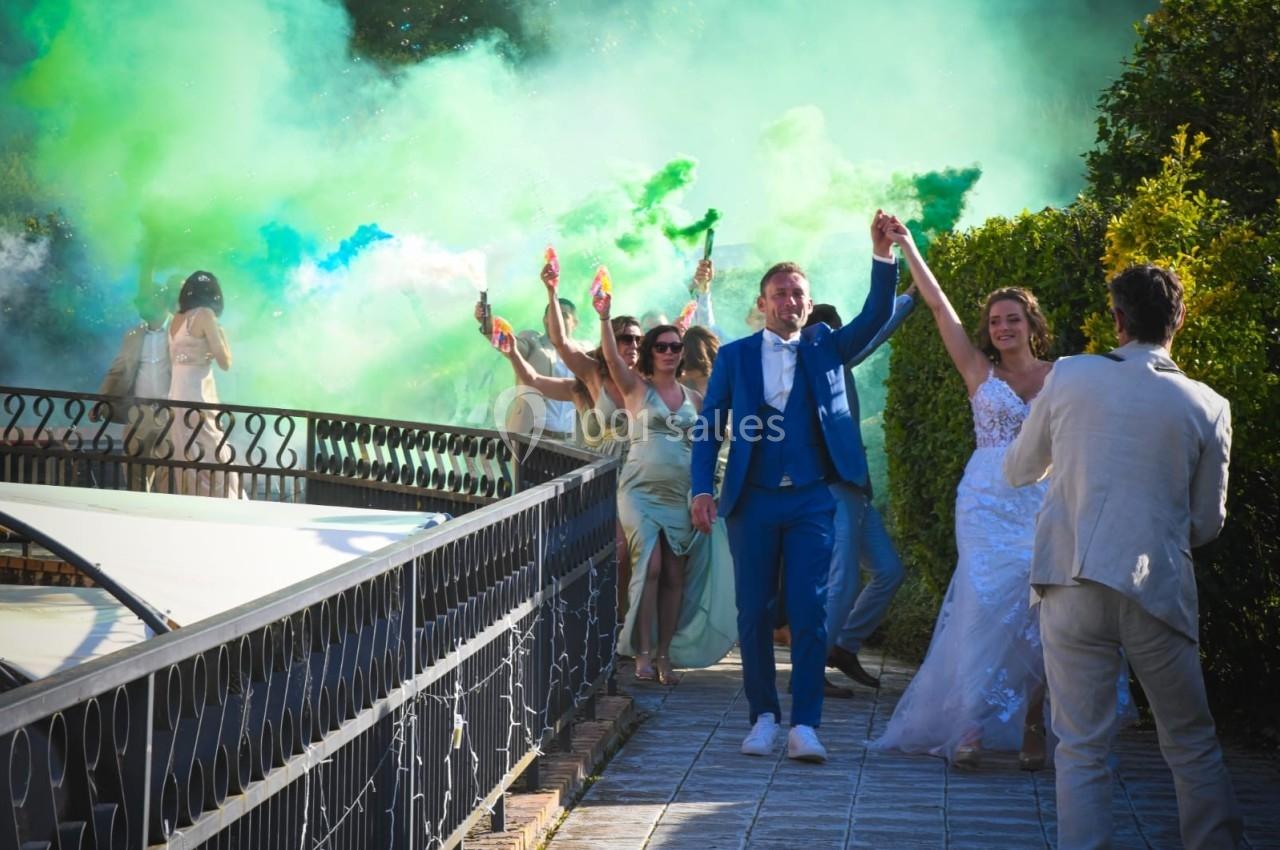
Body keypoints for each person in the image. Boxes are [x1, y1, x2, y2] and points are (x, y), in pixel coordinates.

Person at [870, 219, 1130, 770]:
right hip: (985, 503)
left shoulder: (1066, 375)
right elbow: (940, 308)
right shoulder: (977, 372)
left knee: (1041, 615)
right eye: (994, 321)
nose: (1003, 327)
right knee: (981, 609)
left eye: (1013, 318)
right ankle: (967, 727)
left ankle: (1034, 727)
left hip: (1044, 505)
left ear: (1031, 324)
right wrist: (910, 246)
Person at [1005, 265, 1242, 849]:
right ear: (1179, 320)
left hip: (1069, 579)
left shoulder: (1070, 376)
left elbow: (1017, 469)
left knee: (1081, 746)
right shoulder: (1209, 404)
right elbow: (1207, 524)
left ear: (1116, 319)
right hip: (1154, 587)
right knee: (1189, 742)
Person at [691, 211, 899, 763]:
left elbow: (877, 312)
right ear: (763, 303)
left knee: (809, 610)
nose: (790, 301)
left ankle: (805, 723)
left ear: (808, 303)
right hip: (751, 501)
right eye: (779, 294)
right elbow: (711, 425)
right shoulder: (734, 356)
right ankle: (763, 716)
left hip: (812, 498)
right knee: (754, 612)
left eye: (798, 294)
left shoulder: (826, 346)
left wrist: (882, 257)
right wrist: (700, 489)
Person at [596, 294, 736, 685]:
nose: (670, 352)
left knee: (674, 574)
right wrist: (605, 317)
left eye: (676, 346)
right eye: (662, 346)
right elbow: (609, 357)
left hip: (681, 494)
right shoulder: (635, 388)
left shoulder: (695, 398)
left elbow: (715, 442)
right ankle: (640, 652)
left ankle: (663, 654)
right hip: (639, 491)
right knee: (650, 565)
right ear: (650, 353)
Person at [806, 292, 915, 699]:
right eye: (832, 331)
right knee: (842, 580)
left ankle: (844, 646)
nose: (840, 337)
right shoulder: (821, 362)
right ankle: (811, 669)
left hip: (856, 488)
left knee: (889, 570)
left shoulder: (834, 363)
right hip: (835, 487)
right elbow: (877, 332)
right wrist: (908, 297)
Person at [93, 284, 174, 491]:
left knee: (171, 471)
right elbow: (117, 371)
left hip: (172, 412)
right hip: (139, 412)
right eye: (140, 302)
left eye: (145, 301)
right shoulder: (133, 335)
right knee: (134, 469)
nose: (141, 306)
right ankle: (139, 513)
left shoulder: (178, 330)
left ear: (161, 302)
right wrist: (101, 401)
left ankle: (168, 516)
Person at [166, 270, 240, 499]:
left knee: (185, 452)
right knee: (213, 448)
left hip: (176, 392)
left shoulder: (177, 318)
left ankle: (190, 496)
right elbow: (225, 362)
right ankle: (223, 499)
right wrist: (222, 335)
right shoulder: (205, 315)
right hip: (198, 392)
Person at [473, 294, 580, 441]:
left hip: (571, 441)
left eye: (563, 315)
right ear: (545, 320)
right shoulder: (533, 340)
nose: (557, 319)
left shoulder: (584, 351)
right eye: (552, 314)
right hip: (531, 436)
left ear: (575, 323)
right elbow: (510, 344)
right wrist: (487, 324)